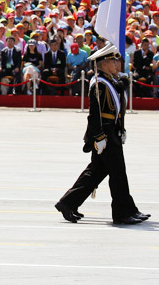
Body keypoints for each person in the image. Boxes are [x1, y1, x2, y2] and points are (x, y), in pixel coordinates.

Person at [56, 43, 149, 225]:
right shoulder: (99, 84)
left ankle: (67, 203)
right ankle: (123, 212)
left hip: (111, 131)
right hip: (104, 134)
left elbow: (118, 105)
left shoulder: (110, 81)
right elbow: (95, 114)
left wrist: (120, 129)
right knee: (118, 174)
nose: (118, 65)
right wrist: (99, 137)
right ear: (105, 64)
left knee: (96, 173)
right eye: (114, 62)